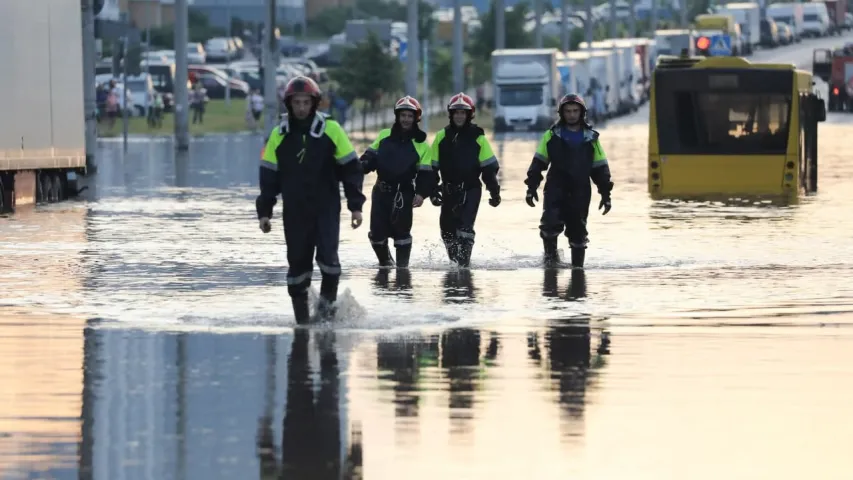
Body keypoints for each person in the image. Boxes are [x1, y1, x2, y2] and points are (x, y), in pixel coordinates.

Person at [256, 76, 366, 325]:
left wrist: (355, 206)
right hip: (294, 211)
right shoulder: (278, 135)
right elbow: (268, 176)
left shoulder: (332, 130)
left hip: (326, 208)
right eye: (297, 103)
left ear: (315, 103)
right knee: (297, 269)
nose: (302, 107)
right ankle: (303, 325)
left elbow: (351, 169)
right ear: (289, 104)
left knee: (330, 263)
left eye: (306, 102)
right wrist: (265, 211)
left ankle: (326, 318)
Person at [524, 93, 613, 270]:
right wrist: (531, 188)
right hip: (555, 189)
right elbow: (538, 163)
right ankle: (550, 267)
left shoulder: (592, 139)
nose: (571, 114)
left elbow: (600, 169)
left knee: (578, 235)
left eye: (575, 111)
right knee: (549, 227)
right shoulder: (551, 136)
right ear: (561, 113)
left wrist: (605, 194)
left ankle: (578, 273)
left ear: (581, 113)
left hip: (580, 192)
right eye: (568, 111)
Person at [417, 92, 501, 268]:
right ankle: (455, 266)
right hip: (448, 190)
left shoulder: (478, 137)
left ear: (469, 114)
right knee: (447, 231)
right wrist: (432, 192)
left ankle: (463, 269)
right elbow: (432, 169)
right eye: (456, 112)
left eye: (463, 112)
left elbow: (489, 168)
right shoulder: (441, 136)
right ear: (451, 114)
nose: (460, 116)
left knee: (465, 229)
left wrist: (494, 192)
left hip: (471, 189)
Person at [359, 95, 430, 269]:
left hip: (404, 194)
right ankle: (385, 264)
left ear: (416, 118)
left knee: (402, 235)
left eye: (410, 116)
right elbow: (369, 157)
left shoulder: (421, 144)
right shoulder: (384, 135)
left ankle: (403, 271)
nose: (406, 119)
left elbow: (427, 173)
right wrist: (358, 167)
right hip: (381, 192)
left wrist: (421, 193)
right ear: (397, 116)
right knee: (376, 235)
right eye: (403, 115)